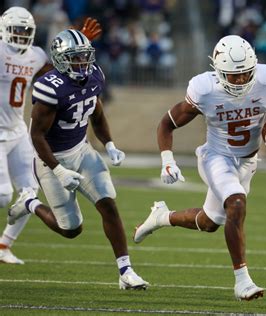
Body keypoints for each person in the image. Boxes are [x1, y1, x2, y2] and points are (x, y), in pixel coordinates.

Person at [133, 35, 266, 300]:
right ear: (218, 71)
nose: (241, 80)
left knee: (210, 222)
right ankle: (242, 281)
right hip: (216, 157)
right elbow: (166, 124)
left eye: (246, 74)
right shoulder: (205, 89)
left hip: (248, 162)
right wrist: (167, 161)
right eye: (234, 76)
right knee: (236, 204)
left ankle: (162, 217)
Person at [7, 29, 148, 290]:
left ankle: (126, 271)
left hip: (82, 151)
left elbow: (97, 113)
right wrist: (58, 170)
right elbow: (36, 136)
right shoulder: (50, 88)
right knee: (71, 230)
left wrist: (110, 144)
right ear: (61, 59)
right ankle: (29, 202)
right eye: (76, 58)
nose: (83, 64)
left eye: (85, 57)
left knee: (108, 203)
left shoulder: (95, 75)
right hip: (50, 158)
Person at [0, 6, 101, 264]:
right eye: (16, 30)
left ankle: (3, 245)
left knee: (29, 190)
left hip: (18, 130)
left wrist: (79, 41)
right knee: (2, 196)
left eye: (26, 30)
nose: (21, 35)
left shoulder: (36, 55)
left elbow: (59, 73)